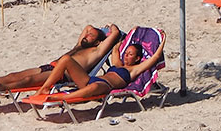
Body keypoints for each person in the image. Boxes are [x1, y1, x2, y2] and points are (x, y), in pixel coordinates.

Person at [0, 24, 122, 94]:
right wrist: (96, 30)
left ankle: (3, 88)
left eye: (91, 35)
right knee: (14, 75)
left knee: (30, 79)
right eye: (87, 34)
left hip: (62, 74)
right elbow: (87, 26)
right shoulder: (80, 46)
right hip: (50, 66)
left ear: (98, 41)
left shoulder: (96, 51)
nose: (87, 35)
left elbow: (115, 34)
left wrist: (110, 28)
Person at [32, 35, 164, 101]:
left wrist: (162, 40)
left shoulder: (134, 70)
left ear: (137, 59)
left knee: (95, 87)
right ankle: (44, 89)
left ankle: (60, 98)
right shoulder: (118, 64)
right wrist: (129, 35)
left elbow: (154, 57)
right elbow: (116, 49)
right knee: (66, 59)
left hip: (105, 85)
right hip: (89, 80)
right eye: (126, 53)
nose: (126, 56)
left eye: (130, 55)